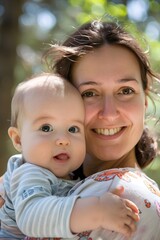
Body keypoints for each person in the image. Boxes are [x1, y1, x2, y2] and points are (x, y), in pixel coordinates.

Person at [42, 19, 160, 240]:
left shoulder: (125, 199)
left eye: (125, 90)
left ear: (145, 99)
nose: (109, 113)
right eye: (90, 93)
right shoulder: (40, 181)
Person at [0, 73, 139, 239]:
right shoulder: (30, 172)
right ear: (18, 139)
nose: (63, 140)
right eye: (46, 128)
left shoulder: (67, 173)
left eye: (73, 129)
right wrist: (97, 210)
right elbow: (31, 216)